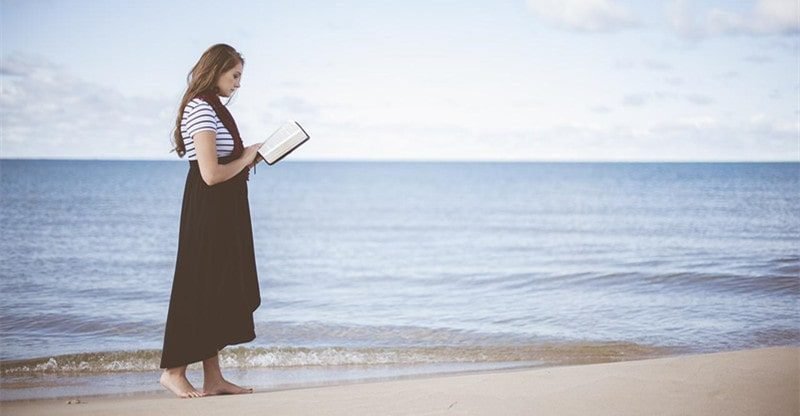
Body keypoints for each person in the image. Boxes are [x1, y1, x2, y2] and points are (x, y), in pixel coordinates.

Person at [159, 43, 263, 398]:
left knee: (216, 290)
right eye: (234, 75)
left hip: (222, 210)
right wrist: (246, 158)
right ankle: (173, 371)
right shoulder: (201, 108)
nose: (238, 84)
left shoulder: (211, 108)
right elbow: (210, 174)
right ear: (216, 71)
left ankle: (214, 378)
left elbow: (220, 166)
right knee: (197, 287)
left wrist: (249, 157)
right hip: (208, 209)